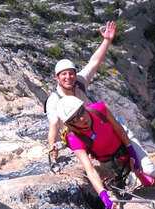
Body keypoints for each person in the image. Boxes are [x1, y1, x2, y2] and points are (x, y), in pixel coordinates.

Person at [57, 96, 155, 209]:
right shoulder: (74, 138)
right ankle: (138, 174)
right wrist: (104, 198)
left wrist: (133, 154)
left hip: (124, 140)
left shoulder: (99, 109)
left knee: (149, 169)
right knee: (116, 188)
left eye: (81, 111)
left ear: (84, 107)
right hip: (107, 157)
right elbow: (90, 170)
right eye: (74, 119)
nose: (82, 118)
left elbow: (119, 129)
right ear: (70, 125)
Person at [46, 21, 116, 160]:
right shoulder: (54, 100)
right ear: (57, 78)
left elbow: (94, 62)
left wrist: (106, 41)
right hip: (78, 136)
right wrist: (52, 144)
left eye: (71, 73)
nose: (68, 77)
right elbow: (53, 124)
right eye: (63, 74)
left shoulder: (79, 82)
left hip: (94, 125)